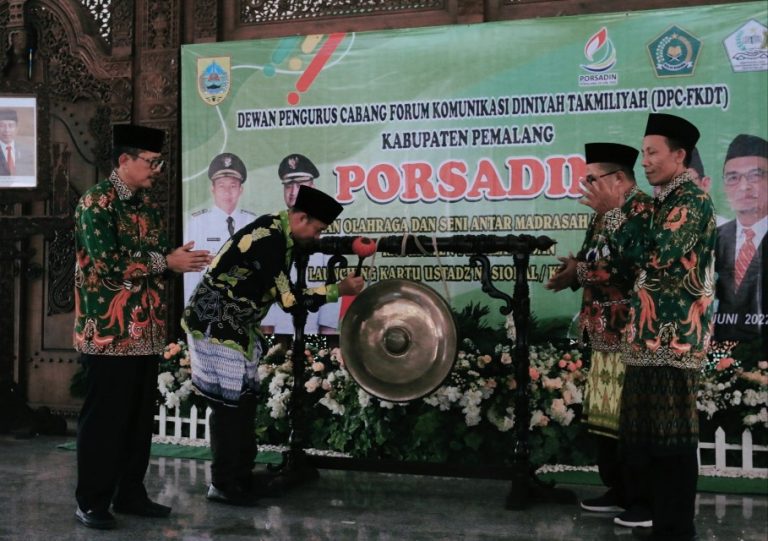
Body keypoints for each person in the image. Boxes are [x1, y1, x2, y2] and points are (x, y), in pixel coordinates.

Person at [182, 185, 364, 506]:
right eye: (317, 230)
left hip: (238, 326)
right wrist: (339, 289)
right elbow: (290, 301)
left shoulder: (279, 231)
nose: (317, 237)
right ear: (301, 218)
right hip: (215, 324)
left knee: (245, 402)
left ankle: (240, 477)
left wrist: (351, 246)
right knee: (229, 407)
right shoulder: (270, 240)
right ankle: (223, 484)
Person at [580, 113, 716, 541]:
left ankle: (677, 530)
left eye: (653, 153)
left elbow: (655, 255)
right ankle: (657, 520)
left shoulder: (691, 200)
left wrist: (614, 214)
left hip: (674, 340)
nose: (646, 161)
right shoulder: (661, 201)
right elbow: (627, 266)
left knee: (672, 442)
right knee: (645, 441)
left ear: (679, 155)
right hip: (643, 338)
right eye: (643, 153)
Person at [73, 124, 213, 529]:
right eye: (151, 162)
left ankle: (129, 493)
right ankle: (91, 501)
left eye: (159, 163)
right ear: (125, 160)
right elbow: (107, 265)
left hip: (146, 332)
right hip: (108, 333)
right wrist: (165, 262)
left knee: (137, 422)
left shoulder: (146, 205)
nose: (157, 170)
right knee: (105, 421)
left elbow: (151, 262)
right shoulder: (96, 203)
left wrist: (174, 260)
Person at [546, 143, 654, 528]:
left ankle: (644, 500)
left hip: (631, 334)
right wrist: (573, 268)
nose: (586, 187)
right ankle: (619, 491)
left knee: (631, 421)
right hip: (600, 332)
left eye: (593, 179)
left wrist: (580, 273)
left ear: (619, 178)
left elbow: (632, 267)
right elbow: (595, 261)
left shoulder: (642, 211)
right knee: (606, 419)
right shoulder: (601, 215)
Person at [261, 153, 341, 335]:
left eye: (300, 185)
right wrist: (338, 290)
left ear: (312, 187)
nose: (293, 191)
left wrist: (325, 338)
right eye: (288, 185)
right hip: (274, 330)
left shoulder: (326, 231)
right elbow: (277, 294)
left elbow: (331, 281)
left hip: (313, 329)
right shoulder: (270, 231)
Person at [713, 134, 767, 364]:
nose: (744, 187)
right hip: (718, 360)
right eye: (733, 178)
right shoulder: (713, 239)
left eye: (755, 175)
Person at [184, 152, 257, 300]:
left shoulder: (253, 222)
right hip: (209, 304)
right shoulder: (197, 223)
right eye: (221, 186)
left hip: (245, 303)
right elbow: (191, 273)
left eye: (233, 186)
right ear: (213, 189)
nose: (227, 192)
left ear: (241, 190)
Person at [0, 108, 34, 176]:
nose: (7, 130)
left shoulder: (27, 152)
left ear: (17, 128)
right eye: (2, 126)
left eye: (11, 126)